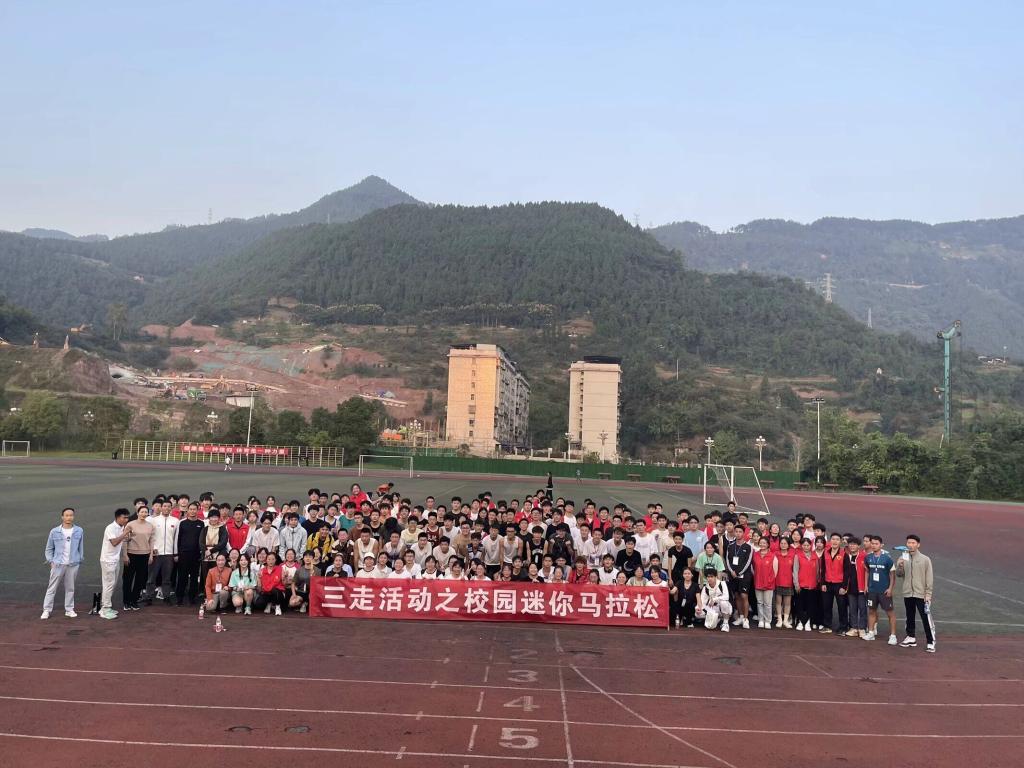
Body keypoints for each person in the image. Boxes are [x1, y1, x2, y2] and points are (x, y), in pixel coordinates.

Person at [41, 507, 85, 620]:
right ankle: (46, 610)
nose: (69, 517)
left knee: (70, 588)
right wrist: (51, 561)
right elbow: (49, 548)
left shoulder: (79, 530)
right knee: (52, 588)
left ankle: (69, 609)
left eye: (71, 515)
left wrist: (79, 559)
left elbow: (81, 547)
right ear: (62, 517)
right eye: (67, 515)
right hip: (58, 564)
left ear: (73, 516)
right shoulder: (54, 531)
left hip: (73, 564)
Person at [895, 534, 935, 652]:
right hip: (908, 593)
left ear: (918, 545)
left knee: (925, 618)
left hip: (921, 594)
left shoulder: (925, 559)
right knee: (909, 616)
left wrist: (928, 594)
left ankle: (930, 641)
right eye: (909, 543)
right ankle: (911, 637)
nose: (910, 545)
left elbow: (929, 577)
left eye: (913, 543)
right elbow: (899, 574)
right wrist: (900, 566)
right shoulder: (903, 557)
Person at [863, 535, 898, 645]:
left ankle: (893, 636)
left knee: (890, 613)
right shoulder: (868, 558)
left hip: (884, 591)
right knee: (871, 611)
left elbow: (892, 575)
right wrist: (866, 586)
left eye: (876, 544)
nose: (874, 545)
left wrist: (890, 588)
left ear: (881, 545)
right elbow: (867, 571)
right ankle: (871, 633)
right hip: (872, 590)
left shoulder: (887, 558)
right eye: (872, 543)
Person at [98, 508, 131, 620]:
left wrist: (127, 537)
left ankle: (106, 606)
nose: (126, 520)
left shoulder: (121, 527)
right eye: (124, 517)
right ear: (117, 517)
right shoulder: (110, 528)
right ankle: (104, 609)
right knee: (109, 584)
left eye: (127, 517)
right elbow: (114, 542)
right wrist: (125, 534)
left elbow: (122, 541)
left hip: (115, 560)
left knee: (113, 584)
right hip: (108, 560)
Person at [122, 505, 155, 611]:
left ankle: (134, 601)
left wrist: (151, 555)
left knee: (140, 580)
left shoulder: (150, 526)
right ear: (137, 513)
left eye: (146, 512)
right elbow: (125, 540)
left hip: (144, 555)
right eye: (142, 512)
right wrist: (125, 555)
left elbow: (151, 540)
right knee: (128, 579)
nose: (144, 514)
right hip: (131, 555)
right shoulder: (130, 524)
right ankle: (126, 602)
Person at [175, 502, 205, 606]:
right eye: (190, 509)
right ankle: (179, 598)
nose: (192, 511)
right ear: (187, 510)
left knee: (194, 577)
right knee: (182, 577)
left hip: (196, 555)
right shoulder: (182, 523)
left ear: (198, 510)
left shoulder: (201, 524)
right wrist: (177, 554)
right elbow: (178, 539)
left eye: (194, 509)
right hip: (183, 555)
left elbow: (202, 540)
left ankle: (192, 598)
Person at [147, 501, 178, 602]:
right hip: (156, 553)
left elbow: (176, 538)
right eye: (164, 506)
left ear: (171, 508)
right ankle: (148, 597)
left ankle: (166, 596)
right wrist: (153, 548)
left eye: (169, 506)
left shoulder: (175, 521)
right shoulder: (154, 520)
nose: (166, 508)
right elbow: (150, 536)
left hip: (169, 554)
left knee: (167, 578)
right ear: (161, 508)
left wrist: (175, 552)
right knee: (152, 577)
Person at [821, 533, 848, 635]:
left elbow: (847, 572)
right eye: (833, 539)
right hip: (827, 583)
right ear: (830, 541)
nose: (835, 541)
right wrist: (823, 583)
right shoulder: (825, 553)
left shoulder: (844, 554)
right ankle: (827, 626)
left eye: (837, 539)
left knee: (842, 606)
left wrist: (844, 586)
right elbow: (823, 569)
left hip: (839, 584)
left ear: (840, 542)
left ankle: (843, 628)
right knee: (826, 606)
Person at [842, 537, 867, 637]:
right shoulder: (846, 556)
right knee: (852, 609)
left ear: (859, 546)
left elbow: (868, 572)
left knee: (862, 609)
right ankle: (854, 628)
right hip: (850, 588)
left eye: (854, 544)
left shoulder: (864, 556)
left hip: (861, 588)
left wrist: (866, 586)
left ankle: (862, 628)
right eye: (850, 544)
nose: (852, 546)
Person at [793, 538, 820, 631]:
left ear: (810, 546)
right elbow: (795, 571)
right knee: (800, 605)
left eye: (808, 545)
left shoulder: (815, 556)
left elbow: (817, 571)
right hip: (801, 585)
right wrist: (796, 584)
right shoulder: (798, 556)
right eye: (804, 545)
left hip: (812, 585)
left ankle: (808, 622)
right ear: (801, 546)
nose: (806, 547)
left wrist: (816, 582)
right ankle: (801, 622)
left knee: (810, 605)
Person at [752, 536, 778, 629]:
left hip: (769, 583)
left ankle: (767, 620)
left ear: (768, 544)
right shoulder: (755, 555)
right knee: (759, 602)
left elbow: (775, 571)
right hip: (758, 582)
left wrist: (770, 580)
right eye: (761, 543)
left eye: (764, 543)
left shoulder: (772, 556)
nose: (762, 544)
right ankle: (761, 619)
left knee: (767, 603)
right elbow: (753, 568)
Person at [773, 537, 796, 628]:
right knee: (778, 602)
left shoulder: (792, 554)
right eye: (781, 543)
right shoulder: (775, 554)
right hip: (778, 581)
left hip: (789, 582)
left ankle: (785, 621)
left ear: (788, 545)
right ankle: (779, 620)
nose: (783, 545)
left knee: (787, 603)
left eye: (785, 543)